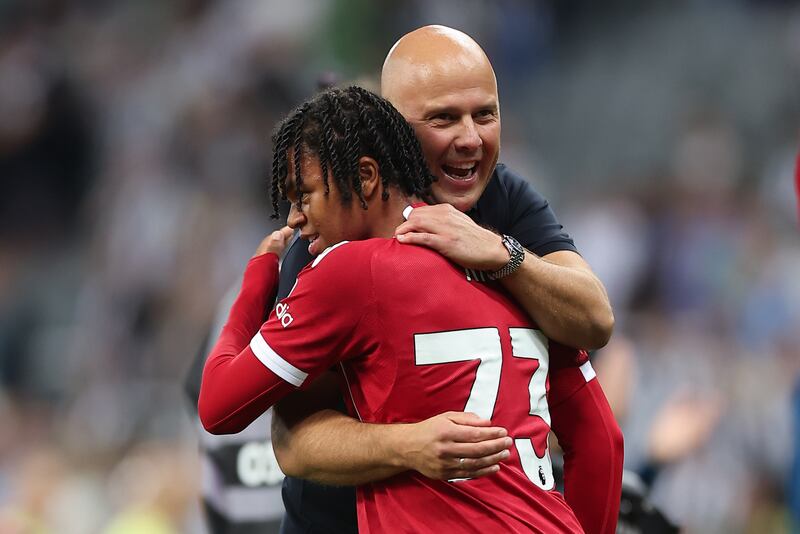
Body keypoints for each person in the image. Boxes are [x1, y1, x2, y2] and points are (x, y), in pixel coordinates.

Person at [270, 25, 623, 534]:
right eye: (443, 119)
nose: (470, 139)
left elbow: (594, 318)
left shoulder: (502, 202)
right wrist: (411, 446)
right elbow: (293, 441)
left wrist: (503, 254)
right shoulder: (329, 234)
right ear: (390, 130)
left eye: (485, 114)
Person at [199, 85, 585, 533]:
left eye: (304, 195)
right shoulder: (513, 266)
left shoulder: (349, 271)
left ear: (366, 177)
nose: (293, 217)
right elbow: (601, 438)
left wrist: (259, 276)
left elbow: (218, 407)